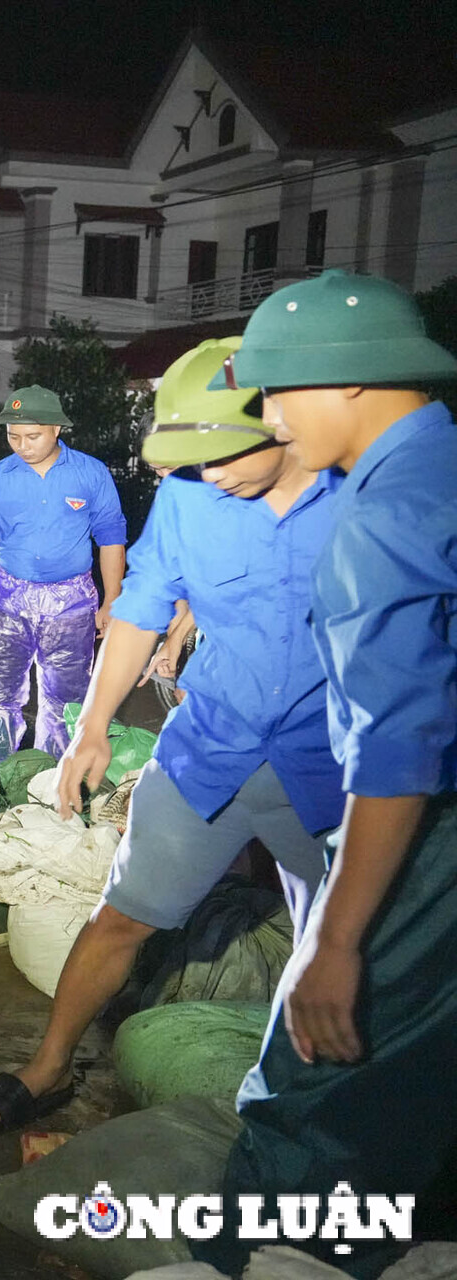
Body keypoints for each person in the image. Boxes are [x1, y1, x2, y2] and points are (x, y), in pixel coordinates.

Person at [0, 339, 339, 1137]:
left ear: (283, 420)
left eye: (221, 452)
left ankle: (322, 1097)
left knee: (337, 941)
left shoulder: (364, 498)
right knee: (122, 914)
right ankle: (51, 1062)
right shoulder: (191, 497)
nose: (208, 473)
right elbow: (140, 600)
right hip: (208, 746)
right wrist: (93, 726)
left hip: (329, 766)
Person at [190, 271, 457, 1278]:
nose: (267, 418)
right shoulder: (439, 461)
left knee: (314, 1080)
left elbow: (399, 748)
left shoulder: (380, 521)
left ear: (346, 383)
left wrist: (333, 940)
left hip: (425, 833)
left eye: (275, 391)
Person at [0, 385, 128, 762]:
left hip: (71, 603)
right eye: (12, 436)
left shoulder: (91, 474)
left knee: (66, 697)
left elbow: (112, 537)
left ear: (56, 429)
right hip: (5, 598)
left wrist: (112, 600)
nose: (21, 445)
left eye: (32, 436)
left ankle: (53, 781)